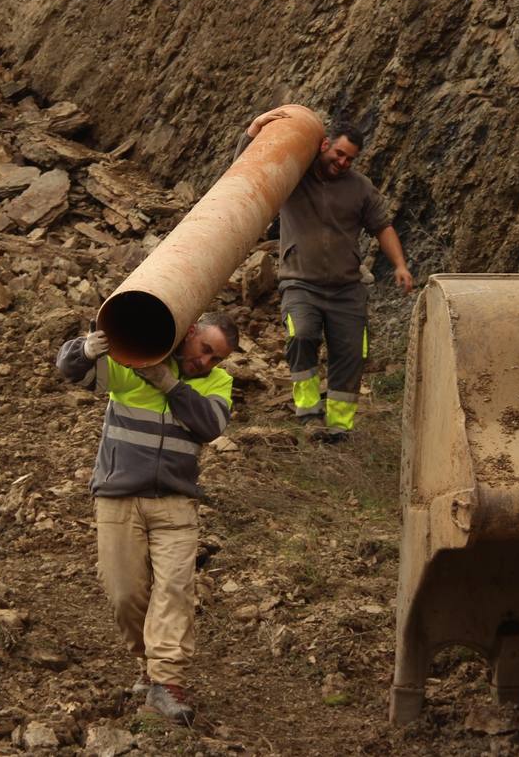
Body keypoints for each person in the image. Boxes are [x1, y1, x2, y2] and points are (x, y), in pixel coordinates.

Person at [55, 313, 239, 723]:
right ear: (190, 333)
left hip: (176, 503)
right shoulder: (135, 361)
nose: (206, 363)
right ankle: (147, 666)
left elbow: (210, 426)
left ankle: (167, 682)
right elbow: (71, 371)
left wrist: (170, 384)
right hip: (119, 498)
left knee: (175, 591)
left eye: (217, 359)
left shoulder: (216, 384)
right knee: (126, 596)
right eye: (205, 350)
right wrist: (84, 349)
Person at [236, 108, 413, 442]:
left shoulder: (360, 188)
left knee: (351, 353)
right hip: (300, 283)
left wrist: (400, 265)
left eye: (350, 159)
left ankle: (339, 428)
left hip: (347, 288)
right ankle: (309, 414)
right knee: (301, 335)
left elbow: (382, 227)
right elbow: (250, 163)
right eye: (339, 154)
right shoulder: (295, 176)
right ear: (325, 144)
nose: (343, 162)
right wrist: (255, 128)